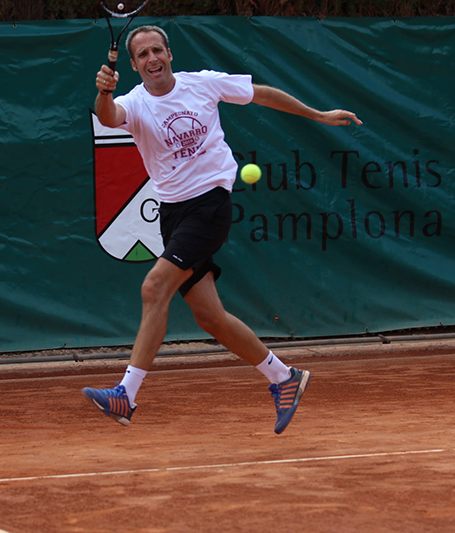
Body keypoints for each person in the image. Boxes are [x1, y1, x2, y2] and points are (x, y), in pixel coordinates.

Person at [83, 25, 362, 434]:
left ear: (170, 53)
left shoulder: (204, 85)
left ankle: (126, 394)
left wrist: (317, 115)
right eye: (142, 55)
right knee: (210, 317)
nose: (152, 59)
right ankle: (284, 378)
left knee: (153, 287)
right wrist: (104, 91)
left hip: (209, 206)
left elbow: (263, 94)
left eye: (157, 50)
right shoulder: (133, 103)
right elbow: (108, 117)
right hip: (171, 214)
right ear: (133, 65)